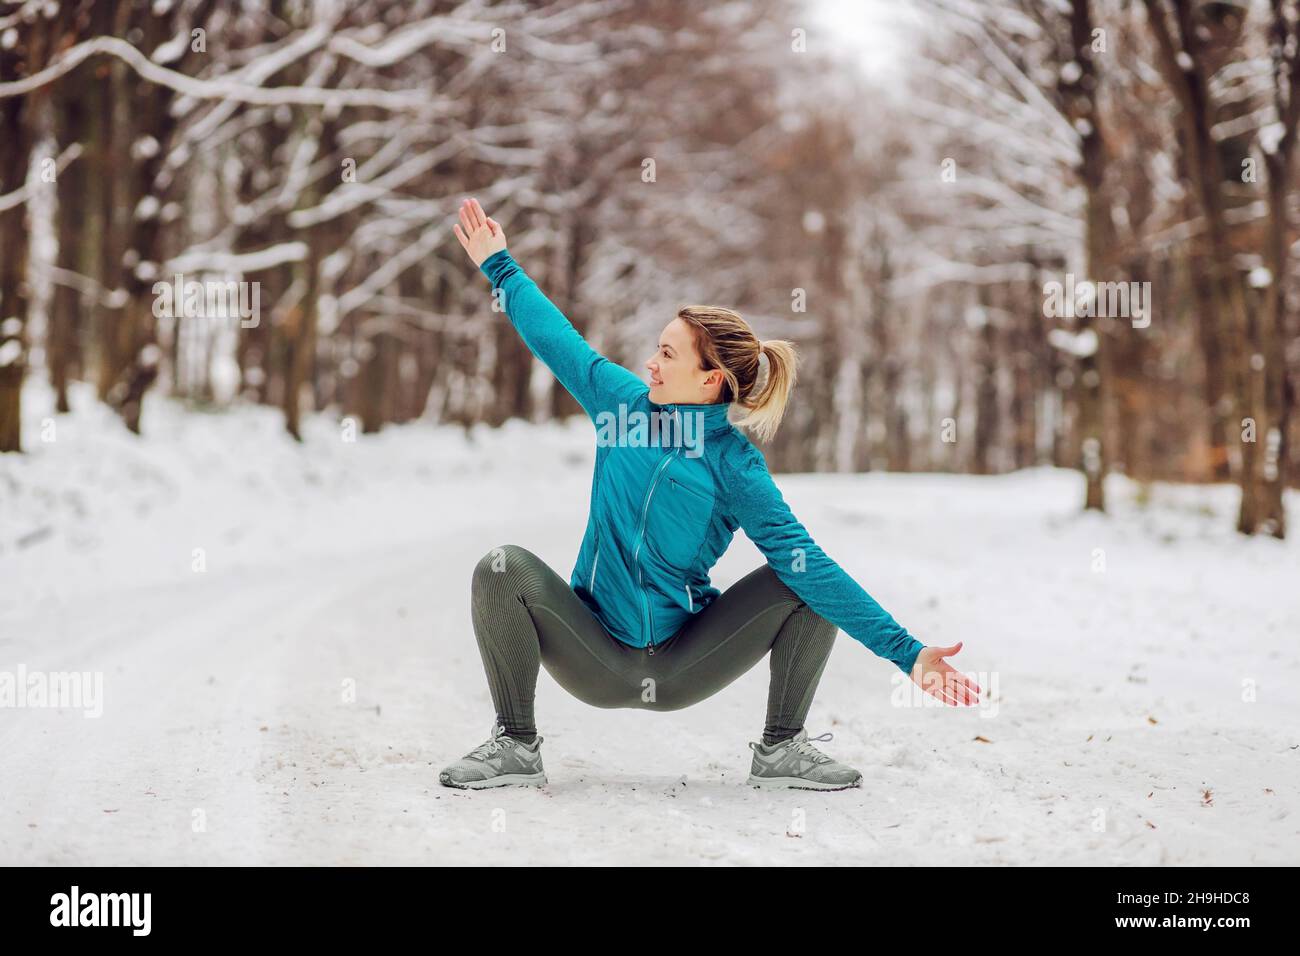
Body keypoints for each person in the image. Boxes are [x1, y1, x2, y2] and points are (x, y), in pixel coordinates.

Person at [443, 197, 979, 791]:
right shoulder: (620, 406)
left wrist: (908, 654)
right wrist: (500, 265)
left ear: (711, 379)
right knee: (501, 567)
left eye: (667, 354)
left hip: (679, 664)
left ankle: (783, 750)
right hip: (592, 652)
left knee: (799, 580)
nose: (649, 363)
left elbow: (812, 567)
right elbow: (555, 338)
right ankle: (515, 743)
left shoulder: (735, 466)